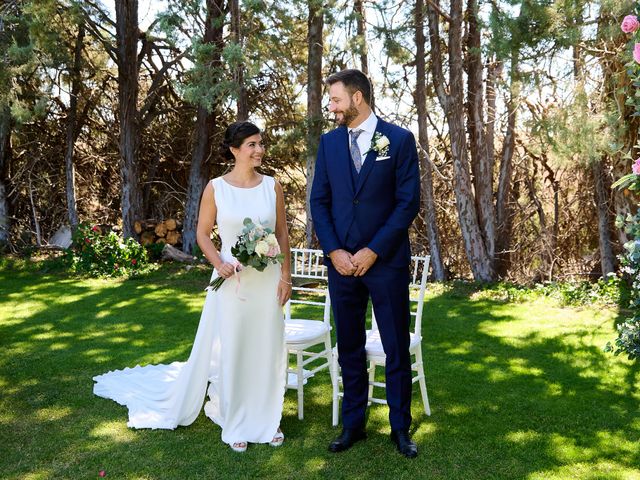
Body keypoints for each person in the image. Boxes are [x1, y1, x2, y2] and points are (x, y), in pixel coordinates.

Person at [93, 121, 292, 453]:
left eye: (261, 144)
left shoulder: (272, 186)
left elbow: (283, 234)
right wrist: (219, 263)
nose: (259, 150)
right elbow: (202, 234)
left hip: (268, 281)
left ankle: (268, 418)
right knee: (235, 348)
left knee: (266, 348)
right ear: (234, 150)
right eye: (252, 145)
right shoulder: (217, 187)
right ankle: (236, 418)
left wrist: (286, 276)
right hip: (232, 282)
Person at [310, 69, 421, 458]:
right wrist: (334, 251)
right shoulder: (329, 144)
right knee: (350, 347)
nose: (332, 108)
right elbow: (319, 202)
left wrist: (373, 250)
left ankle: (400, 429)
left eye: (336, 100)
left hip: (385, 262)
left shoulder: (400, 140)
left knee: (395, 347)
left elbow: (408, 203)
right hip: (341, 266)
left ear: (357, 98)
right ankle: (352, 424)